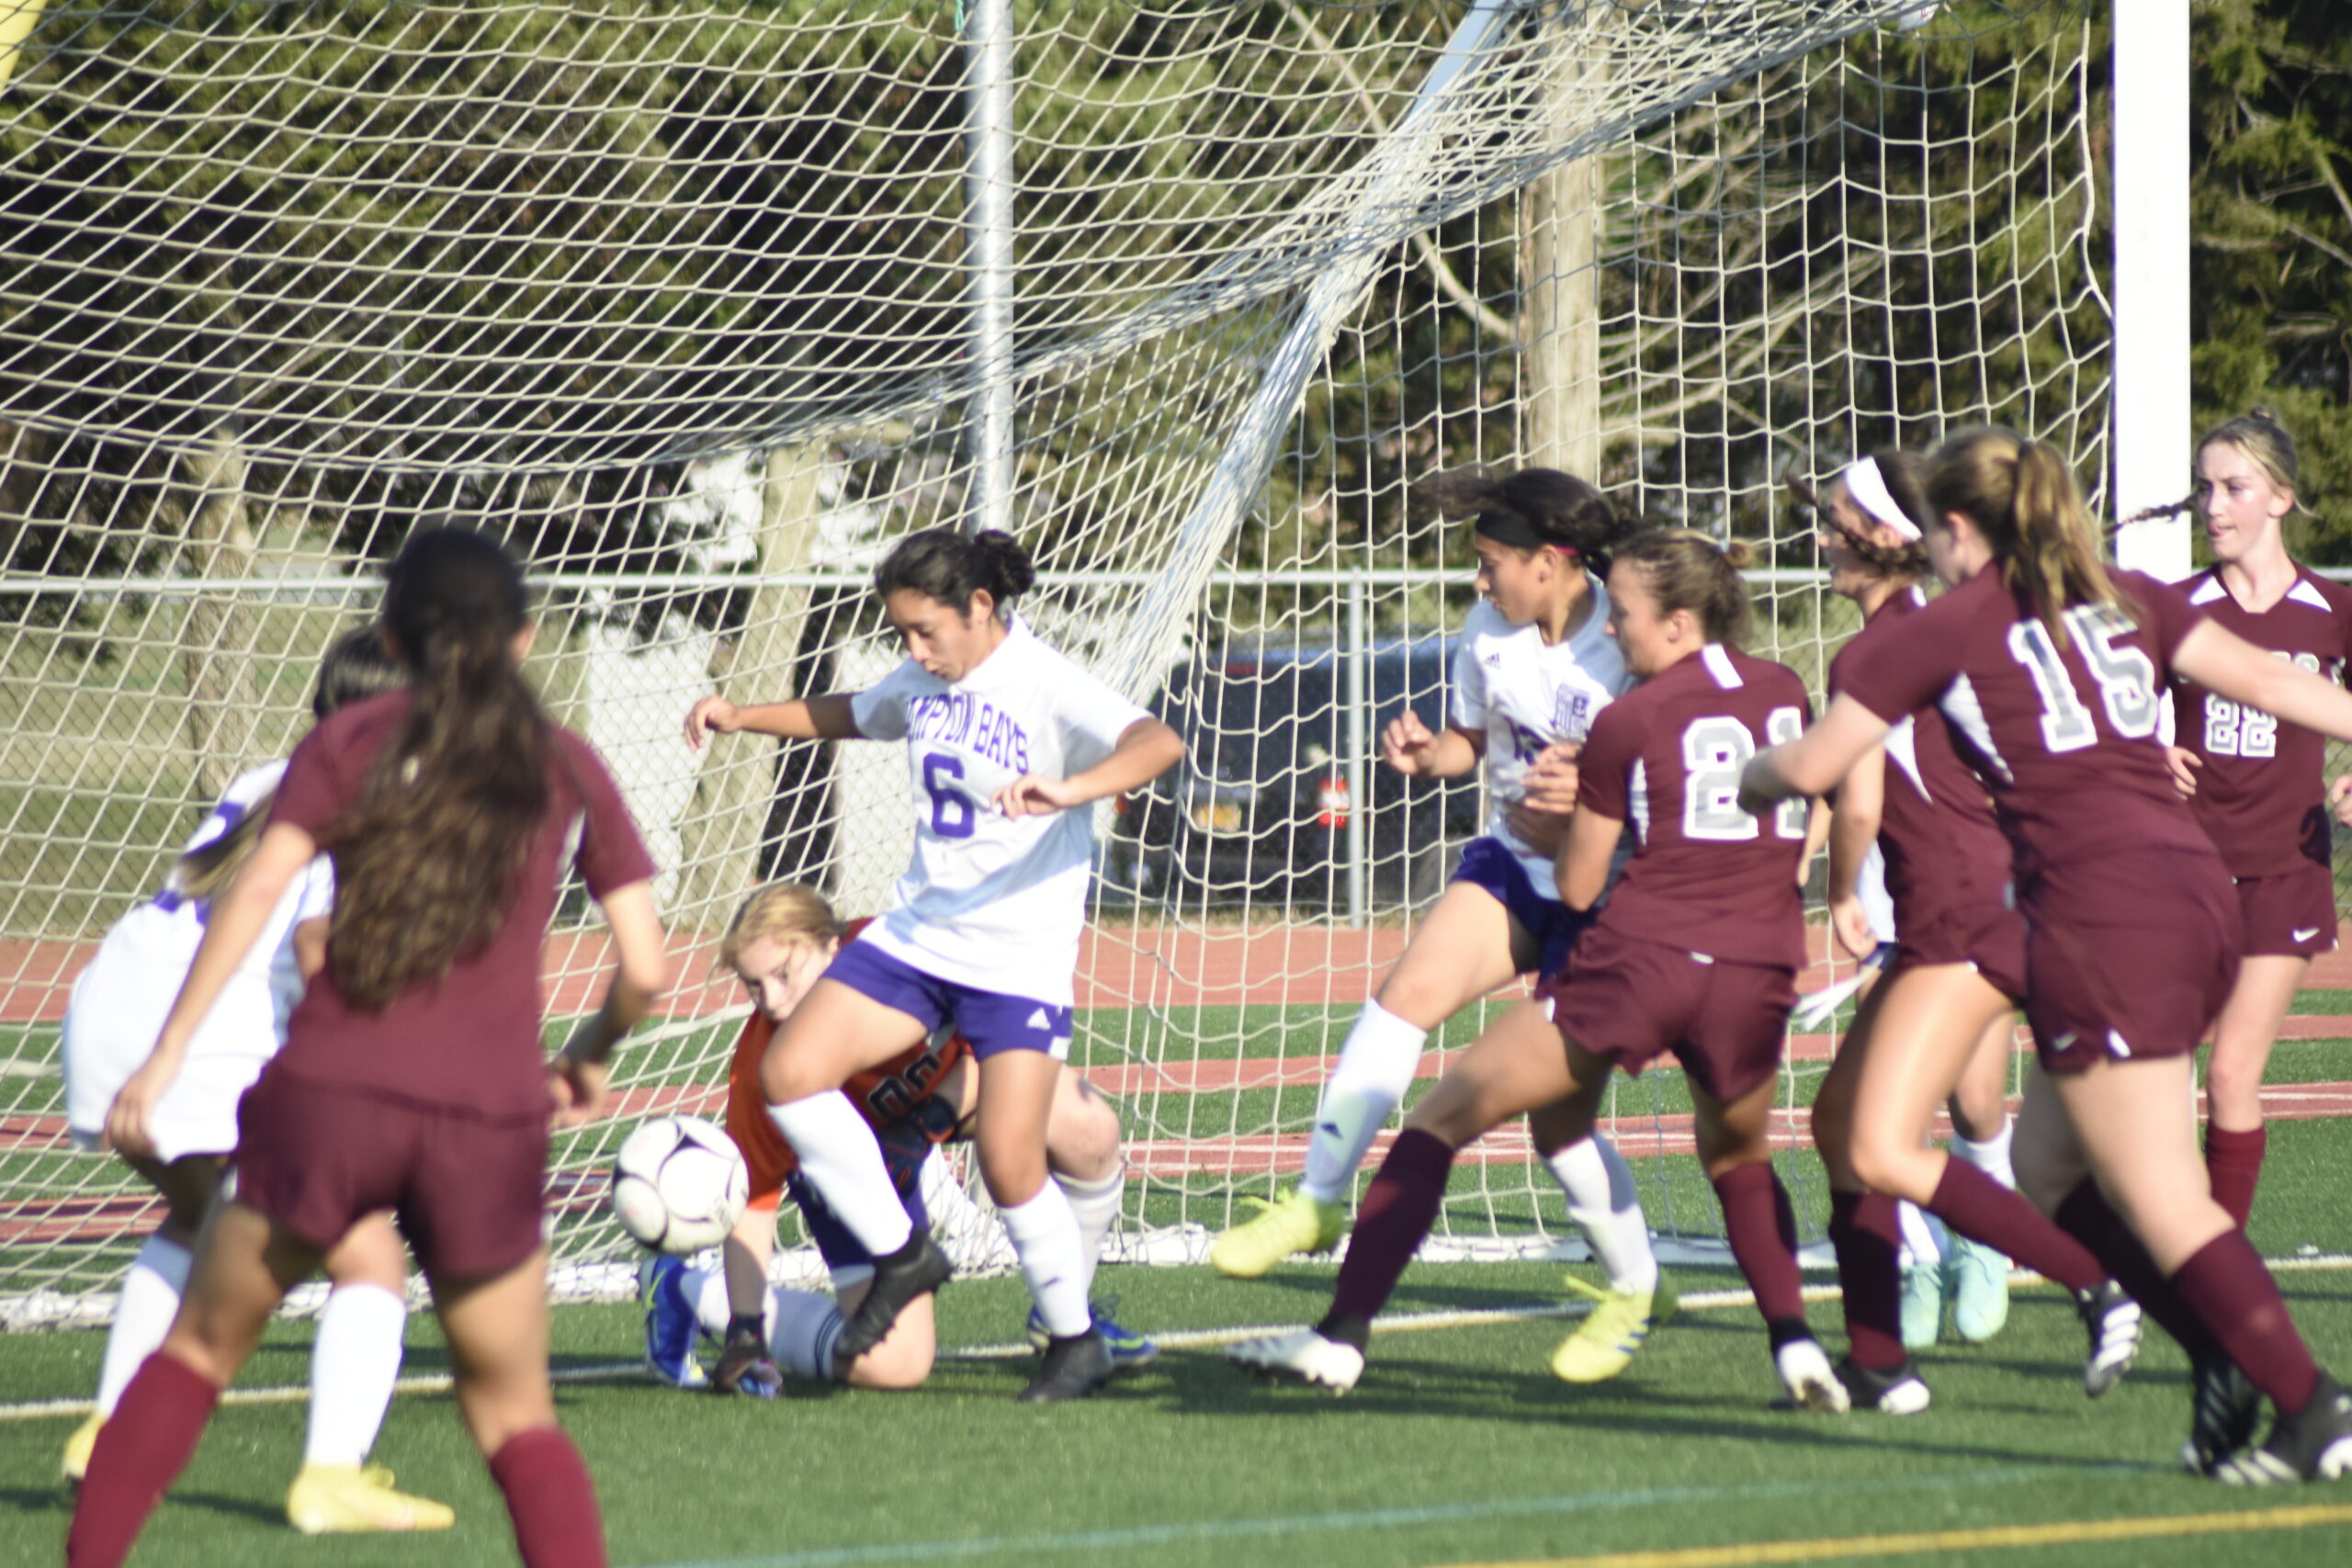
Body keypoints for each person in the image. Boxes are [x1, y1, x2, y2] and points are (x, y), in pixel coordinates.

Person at [1740, 426, 2352, 1483]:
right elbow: (2275, 685)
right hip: (2193, 890)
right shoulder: (2125, 595)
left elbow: (1818, 764)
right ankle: (2224, 1361)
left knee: (2158, 1192)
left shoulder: (1940, 630)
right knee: (2046, 1171)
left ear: (1961, 529)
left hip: (2097, 910)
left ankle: (2312, 1405)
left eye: (1935, 529)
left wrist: (1755, 776)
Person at [66, 526, 670, 1568]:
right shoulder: (567, 763)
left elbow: (257, 892)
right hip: (486, 1117)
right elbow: (651, 970)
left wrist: (166, 1058)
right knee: (517, 1415)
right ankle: (337, 1472)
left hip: (329, 1096)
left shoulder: (346, 742)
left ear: (391, 637)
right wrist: (593, 1047)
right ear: (524, 638)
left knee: (203, 1352)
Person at [1232, 531, 1841, 1407]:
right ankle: (1795, 1348)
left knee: (1439, 1120)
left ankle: (1338, 1337)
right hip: (1756, 970)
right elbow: (1820, 798)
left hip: (1642, 962)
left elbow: (1585, 883)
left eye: (1625, 613)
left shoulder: (1628, 720)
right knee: (1738, 1159)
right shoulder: (1783, 691)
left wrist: (1575, 816)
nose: (1617, 631)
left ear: (1675, 623)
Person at [684, 526, 1183, 1403]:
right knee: (790, 1070)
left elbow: (1156, 742)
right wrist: (740, 716)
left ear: (980, 607)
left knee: (1009, 1155)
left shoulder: (1044, 681)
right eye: (902, 634)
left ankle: (1072, 1340)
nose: (913, 651)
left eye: (926, 631)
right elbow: (849, 712)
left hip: (1017, 962)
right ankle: (903, 1254)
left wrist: (1071, 788)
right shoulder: (921, 678)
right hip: (917, 936)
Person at [1209, 467, 1668, 1384]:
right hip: (1509, 862)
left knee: (1558, 1129)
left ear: (1550, 562)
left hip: (1607, 891)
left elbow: (1673, 778)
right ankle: (1315, 1202)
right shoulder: (1487, 631)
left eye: (1492, 562)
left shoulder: (1627, 645)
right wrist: (1433, 757)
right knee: (1402, 996)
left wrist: (1590, 811)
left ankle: (1630, 1287)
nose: (1477, 580)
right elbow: (1474, 740)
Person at [59, 627, 447, 1530]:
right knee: (370, 1254)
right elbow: (317, 949)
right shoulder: (373, 802)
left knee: (197, 1222)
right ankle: (330, 1480)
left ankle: (112, 1430)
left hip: (108, 1011)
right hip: (200, 1047)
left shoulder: (266, 777)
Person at [1795, 455, 2141, 1414]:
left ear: (1884, 536)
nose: (1820, 536)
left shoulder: (1892, 643)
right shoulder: (1935, 627)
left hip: (1954, 905)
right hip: (1963, 895)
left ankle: (2090, 1280)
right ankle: (1879, 1365)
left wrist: (1833, 885)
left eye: (1835, 521)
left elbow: (1857, 796)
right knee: (1841, 1126)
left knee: (1891, 1134)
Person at [640, 880, 1156, 1393]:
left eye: (783, 973)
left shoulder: (899, 955)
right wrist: (744, 1327)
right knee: (897, 1364)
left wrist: (927, 1123)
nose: (772, 1000)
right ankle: (685, 1289)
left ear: (832, 945)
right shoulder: (764, 1070)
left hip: (941, 1106)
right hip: (849, 1172)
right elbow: (754, 1205)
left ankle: (1065, 1317)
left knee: (1087, 1127)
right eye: (754, 985)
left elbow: (995, 1045)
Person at [2158, 411, 2352, 1229]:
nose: (2213, 505)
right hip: (2182, 871)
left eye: (2233, 487)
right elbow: (2107, 718)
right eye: (2205, 487)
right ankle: (2161, 1239)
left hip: (2284, 870)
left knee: (2234, 1074)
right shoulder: (2173, 608)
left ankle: (2216, 1259)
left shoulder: (2332, 610)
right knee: (2159, 1073)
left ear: (2281, 497)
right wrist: (2144, 750)